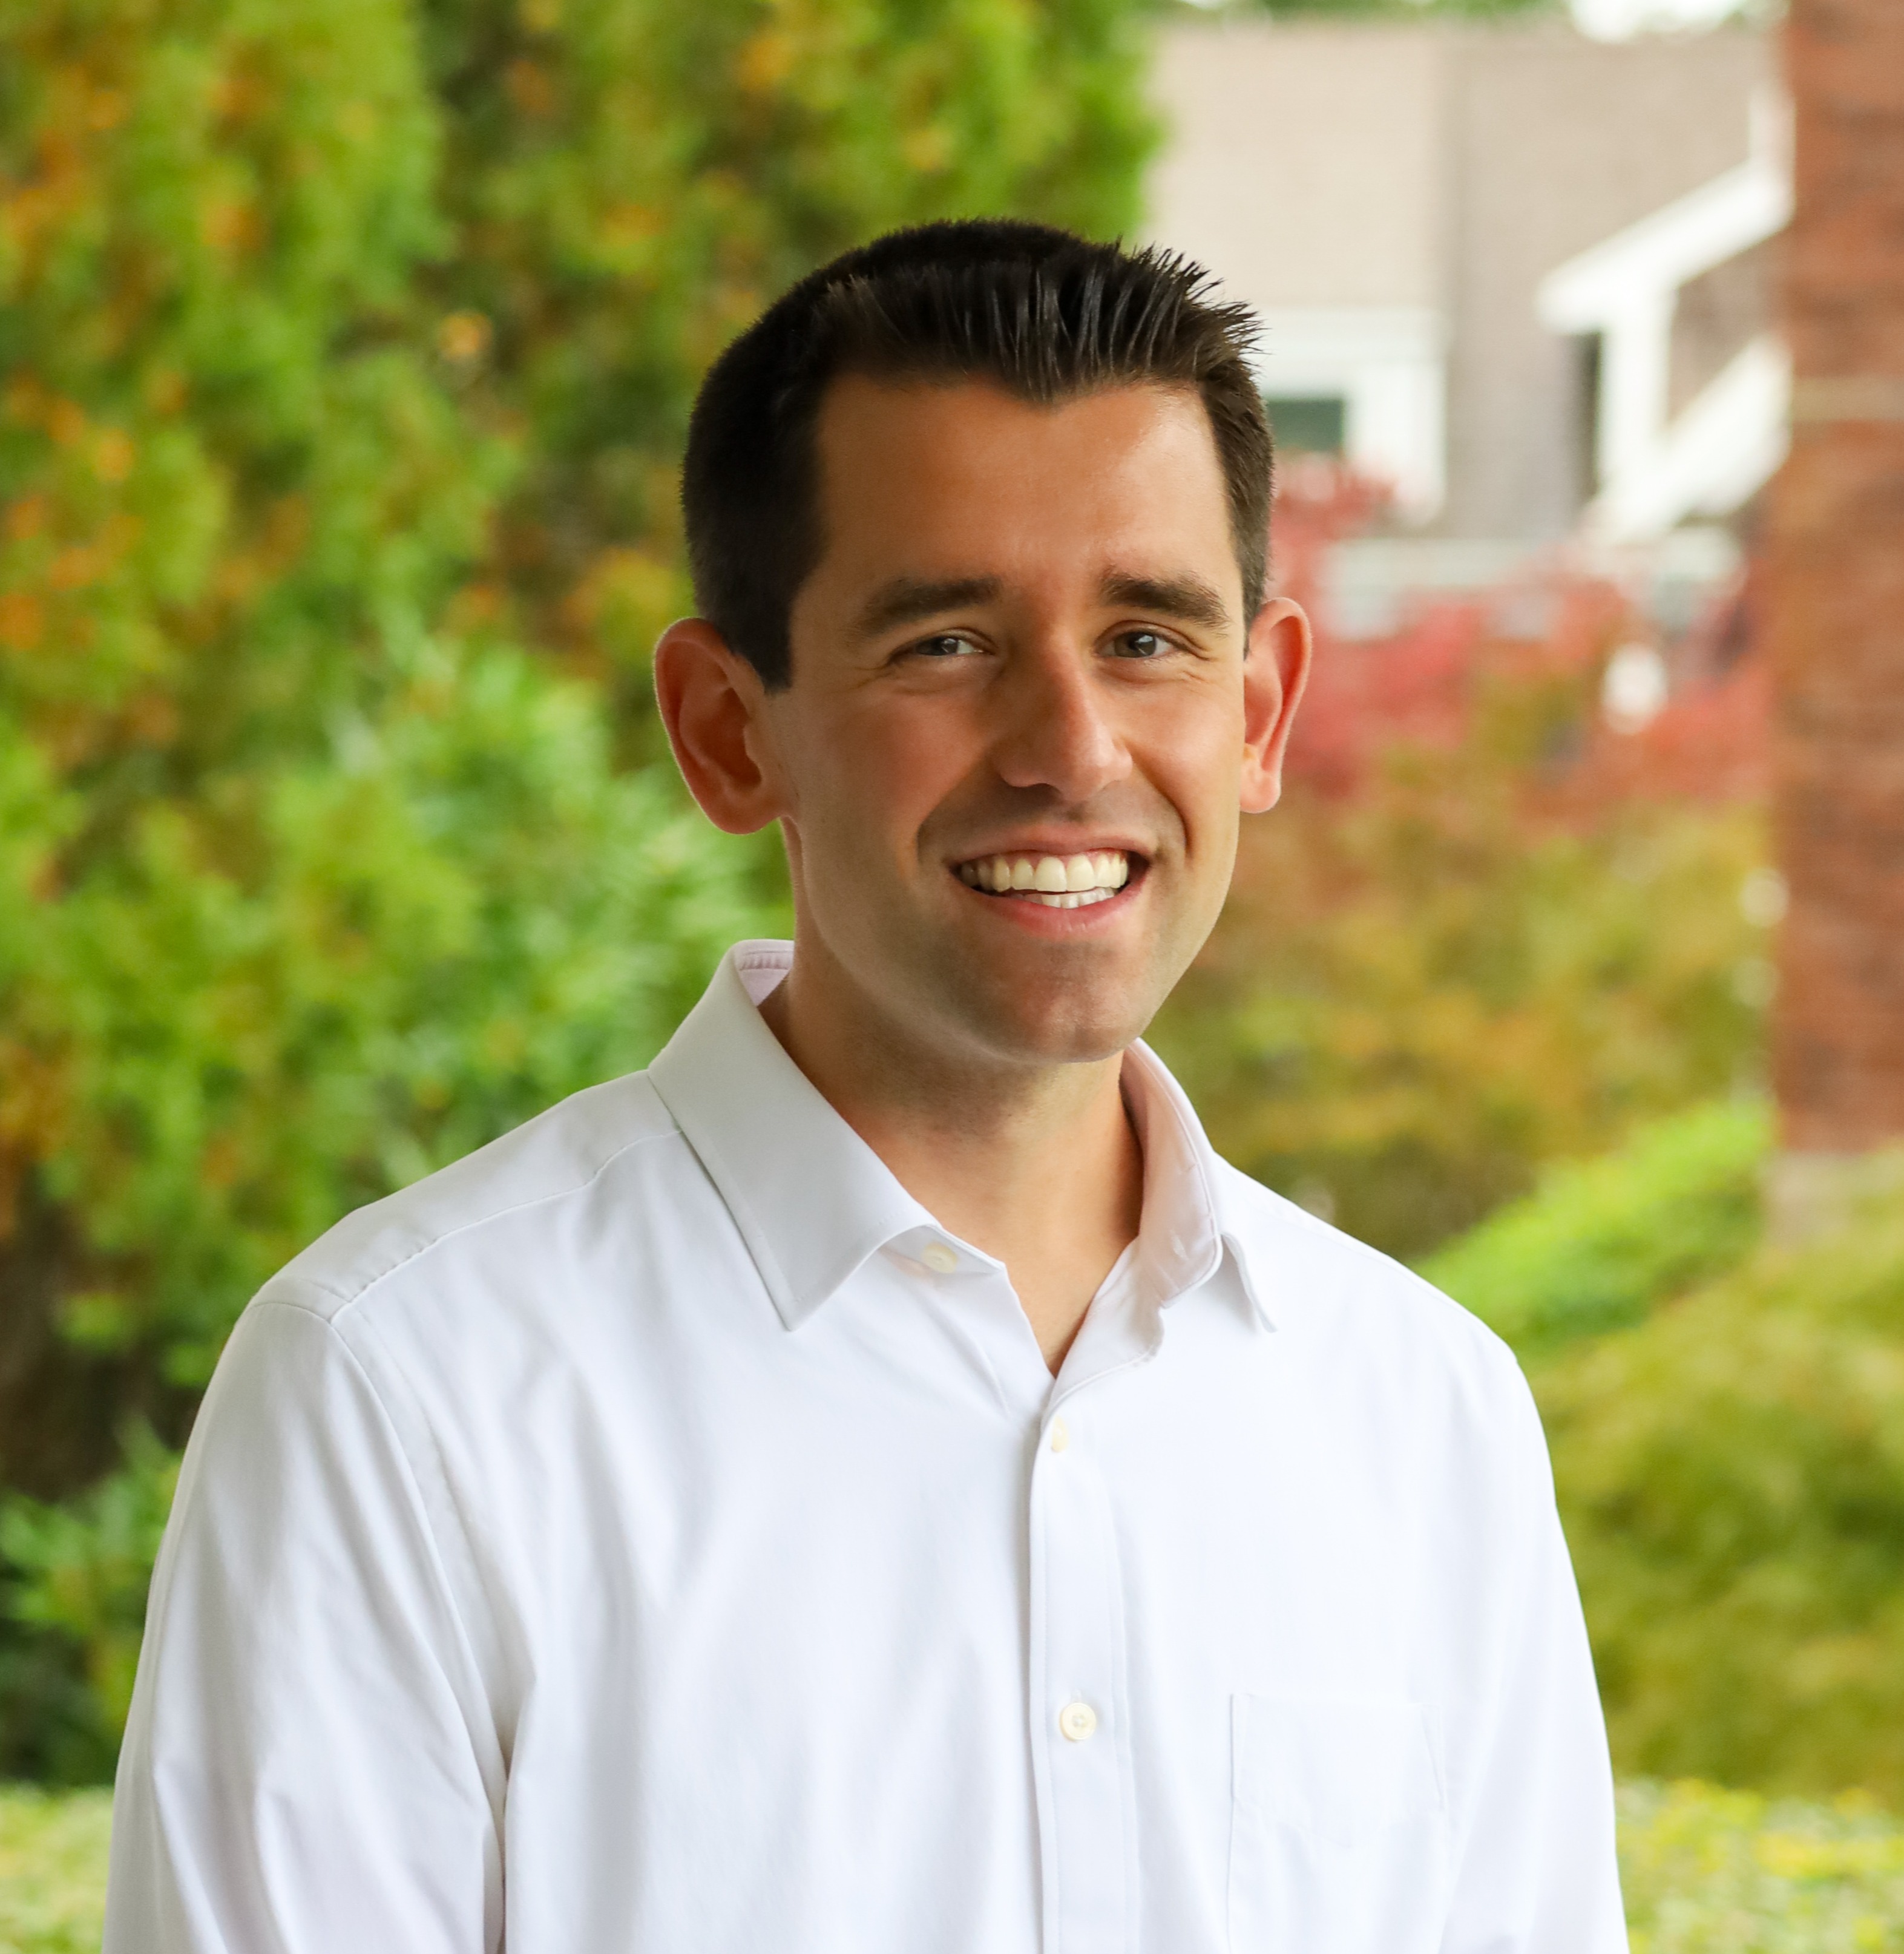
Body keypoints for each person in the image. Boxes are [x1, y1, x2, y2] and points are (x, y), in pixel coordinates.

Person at [106, 221, 1628, 1952]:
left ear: (1262, 712)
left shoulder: (1427, 1417)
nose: (1071, 750)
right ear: (727, 730)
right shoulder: (404, 1395)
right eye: (947, 645)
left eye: (1147, 638)